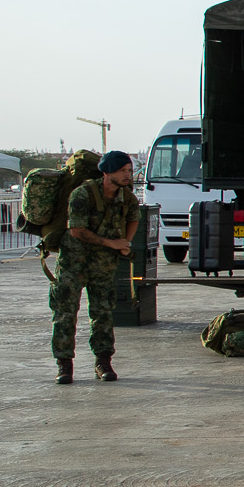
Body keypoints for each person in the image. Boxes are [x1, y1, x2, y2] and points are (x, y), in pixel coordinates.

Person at [50, 150, 139, 383]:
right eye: (123, 171)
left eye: (129, 171)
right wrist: (112, 242)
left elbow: (134, 217)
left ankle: (103, 362)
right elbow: (77, 231)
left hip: (104, 265)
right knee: (65, 313)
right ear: (108, 172)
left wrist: (126, 243)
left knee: (103, 313)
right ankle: (64, 365)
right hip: (73, 263)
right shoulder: (83, 194)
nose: (128, 175)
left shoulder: (127, 197)